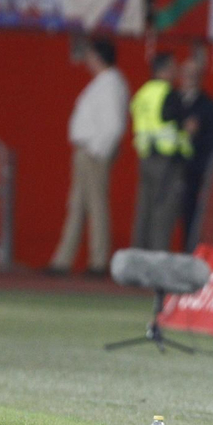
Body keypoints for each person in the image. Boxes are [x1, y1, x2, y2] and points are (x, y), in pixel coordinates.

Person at [48, 38, 128, 275]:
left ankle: (99, 260)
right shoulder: (105, 83)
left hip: (93, 152)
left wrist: (97, 150)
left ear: (98, 57)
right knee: (78, 206)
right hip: (87, 151)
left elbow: (114, 125)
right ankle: (63, 260)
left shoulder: (111, 83)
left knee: (95, 206)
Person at [128, 54, 186, 251]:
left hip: (145, 157)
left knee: (143, 211)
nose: (176, 72)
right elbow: (176, 123)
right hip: (166, 160)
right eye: (174, 68)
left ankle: (137, 259)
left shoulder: (143, 93)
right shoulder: (168, 93)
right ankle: (156, 261)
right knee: (163, 213)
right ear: (166, 69)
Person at [174, 52, 213, 251]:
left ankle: (188, 255)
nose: (190, 78)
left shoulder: (210, 107)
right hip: (169, 168)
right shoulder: (170, 102)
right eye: (186, 73)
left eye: (194, 74)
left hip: (194, 172)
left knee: (191, 217)